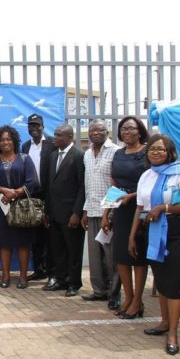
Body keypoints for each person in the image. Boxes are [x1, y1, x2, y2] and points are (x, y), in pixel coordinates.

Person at [129, 134, 180, 355]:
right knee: (162, 280)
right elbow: (139, 207)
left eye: (161, 149)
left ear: (169, 152)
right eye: (152, 148)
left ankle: (173, 332)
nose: (156, 152)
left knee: (175, 283)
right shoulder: (146, 175)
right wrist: (132, 236)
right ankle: (164, 323)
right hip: (153, 232)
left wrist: (164, 208)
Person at [102, 116, 149, 318]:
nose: (126, 132)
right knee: (121, 257)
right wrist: (106, 214)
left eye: (131, 128)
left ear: (140, 131)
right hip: (121, 210)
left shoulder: (147, 152)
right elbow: (113, 186)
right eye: (123, 129)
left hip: (141, 209)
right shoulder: (119, 154)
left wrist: (133, 195)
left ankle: (138, 302)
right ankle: (128, 298)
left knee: (137, 257)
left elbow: (152, 185)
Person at [0, 125, 37, 288]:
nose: (5, 142)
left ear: (14, 141)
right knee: (4, 242)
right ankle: (5, 277)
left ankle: (22, 277)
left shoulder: (25, 159)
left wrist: (15, 193)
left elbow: (33, 182)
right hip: (0, 208)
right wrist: (2, 190)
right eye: (2, 140)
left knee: (22, 243)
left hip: (22, 208)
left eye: (8, 139)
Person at [80, 119, 121, 309]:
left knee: (111, 255)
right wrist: (85, 211)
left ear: (107, 132)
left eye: (99, 130)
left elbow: (116, 185)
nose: (95, 133)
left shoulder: (115, 152)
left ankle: (114, 294)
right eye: (92, 130)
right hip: (93, 210)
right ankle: (99, 291)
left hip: (109, 212)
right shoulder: (87, 154)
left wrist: (109, 212)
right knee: (95, 255)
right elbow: (88, 185)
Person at [44, 124, 85, 297]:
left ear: (69, 137)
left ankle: (73, 283)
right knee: (58, 249)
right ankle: (60, 279)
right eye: (55, 134)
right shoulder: (53, 156)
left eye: (59, 135)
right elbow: (49, 185)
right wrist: (47, 211)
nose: (55, 137)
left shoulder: (78, 156)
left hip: (70, 214)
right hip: (54, 212)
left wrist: (77, 213)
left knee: (73, 250)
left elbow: (83, 187)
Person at [21, 113, 57, 282]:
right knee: (34, 236)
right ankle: (38, 269)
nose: (34, 128)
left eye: (37, 125)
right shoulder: (25, 146)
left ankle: (52, 272)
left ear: (43, 127)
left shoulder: (51, 144)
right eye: (31, 125)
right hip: (31, 196)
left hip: (48, 194)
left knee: (50, 235)